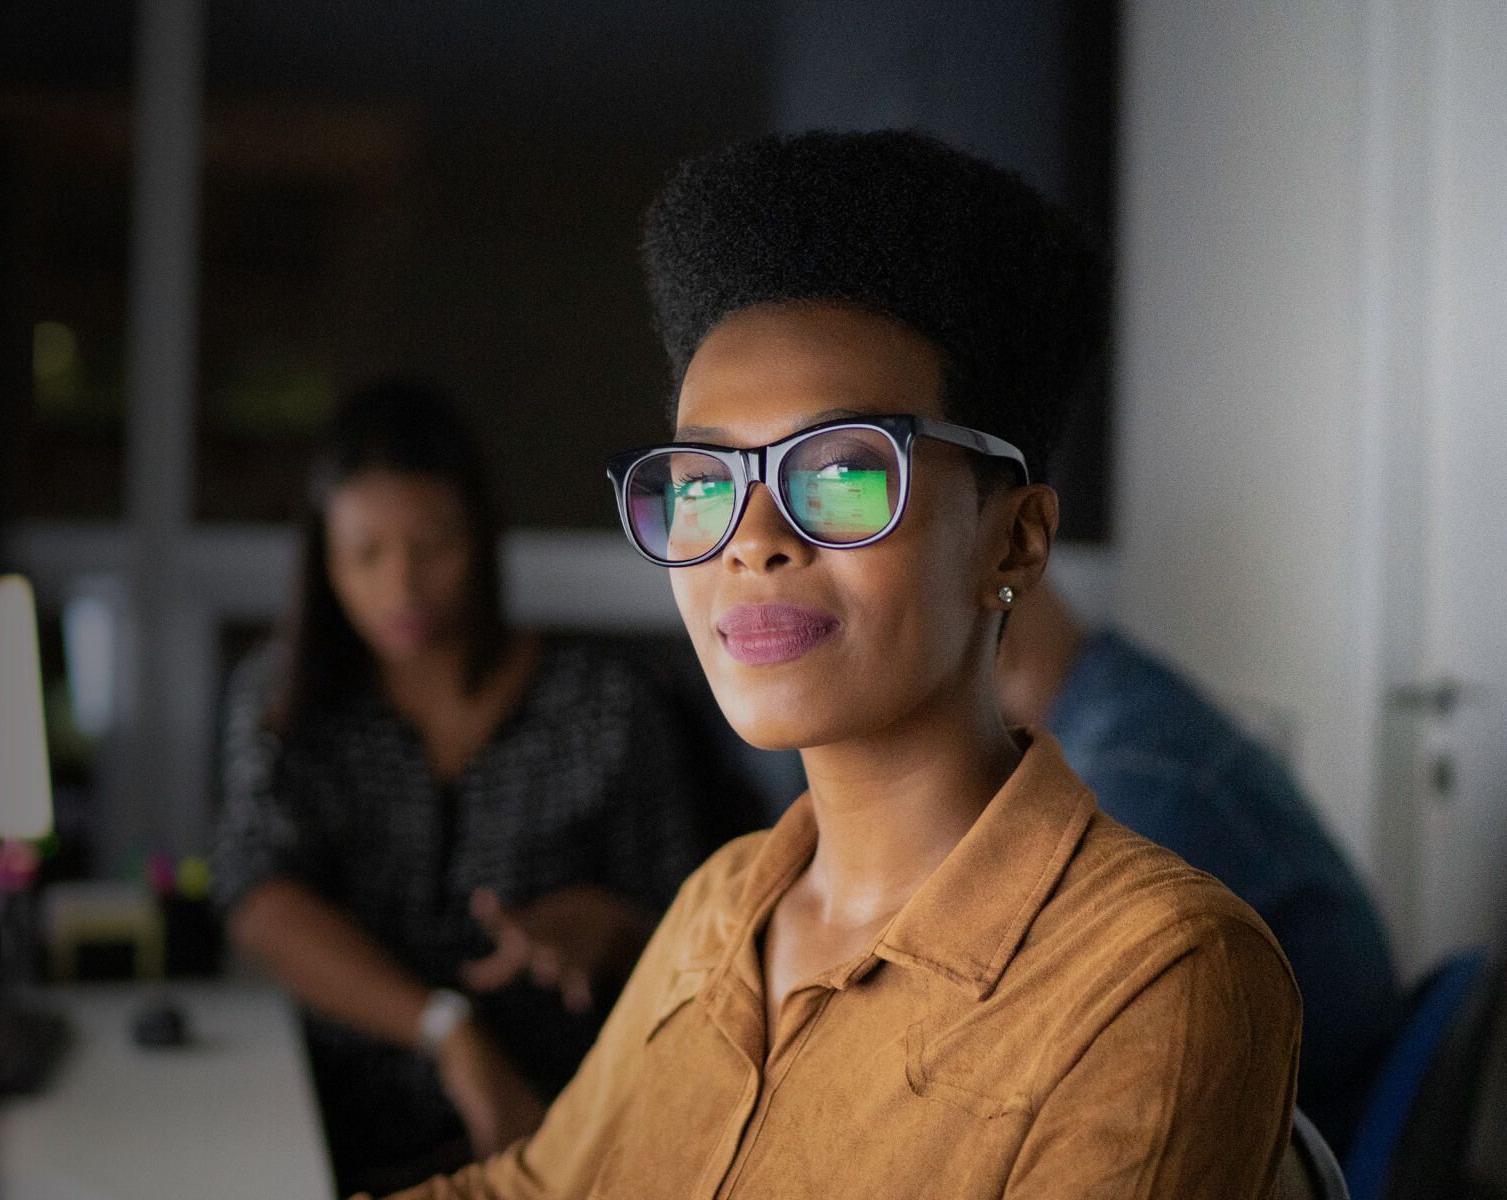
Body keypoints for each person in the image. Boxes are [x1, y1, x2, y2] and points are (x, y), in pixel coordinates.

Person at [378, 130, 1301, 1199]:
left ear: (1016, 542)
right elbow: (528, 1190)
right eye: (702, 480)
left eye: (846, 474)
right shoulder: (723, 907)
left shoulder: (1156, 981)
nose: (751, 535)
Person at [212, 379, 759, 1197]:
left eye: (433, 546)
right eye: (365, 554)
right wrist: (447, 1030)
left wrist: (605, 929)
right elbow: (258, 898)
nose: (401, 586)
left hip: (570, 1129)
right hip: (325, 1125)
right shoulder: (287, 702)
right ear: (323, 561)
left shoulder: (602, 705)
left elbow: (704, 930)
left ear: (482, 536)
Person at [998, 577, 1402, 1147]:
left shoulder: (1128, 787)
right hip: (1326, 1097)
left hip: (1302, 1133)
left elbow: (1082, 1078)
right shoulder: (1123, 696)